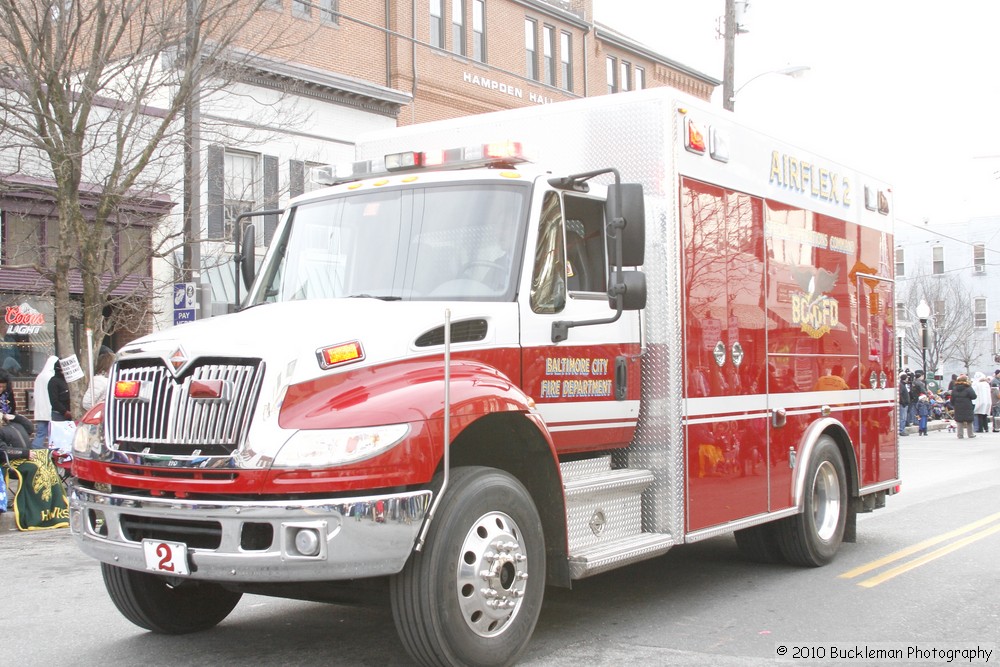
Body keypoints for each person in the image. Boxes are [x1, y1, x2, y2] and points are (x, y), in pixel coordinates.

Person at [0, 370, 35, 444]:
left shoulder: (7, 391)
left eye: (3, 387)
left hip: (7, 417)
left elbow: (12, 407)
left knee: (28, 426)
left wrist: (10, 416)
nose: (1, 389)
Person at [32, 355, 58, 448]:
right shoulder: (52, 377)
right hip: (50, 410)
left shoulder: (39, 376)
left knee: (40, 433)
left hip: (40, 410)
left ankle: (35, 449)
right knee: (53, 435)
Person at [950, 374, 977, 440]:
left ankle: (960, 435)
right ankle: (970, 434)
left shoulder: (955, 388)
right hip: (967, 405)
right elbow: (974, 396)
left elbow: (952, 399)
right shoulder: (968, 387)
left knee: (959, 420)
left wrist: (954, 404)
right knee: (969, 420)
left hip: (958, 406)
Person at [897, 372, 911, 437]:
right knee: (902, 418)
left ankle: (902, 429)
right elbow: (900, 394)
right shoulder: (901, 385)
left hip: (904, 404)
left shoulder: (903, 385)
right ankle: (901, 430)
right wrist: (903, 402)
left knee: (903, 418)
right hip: (903, 404)